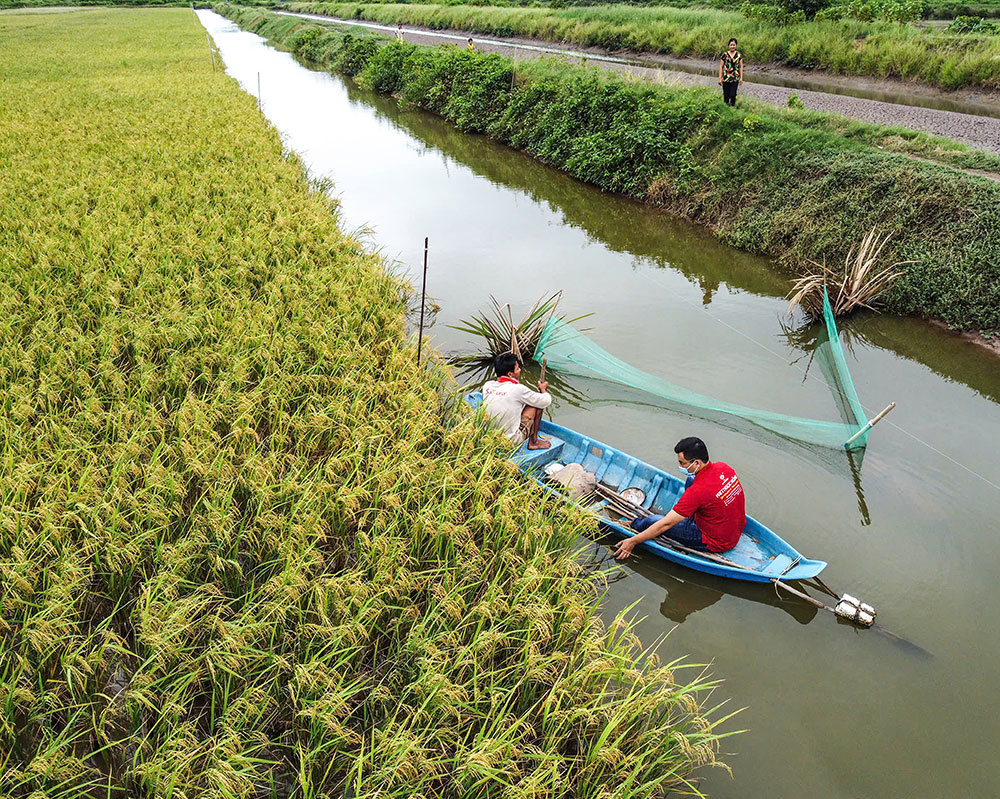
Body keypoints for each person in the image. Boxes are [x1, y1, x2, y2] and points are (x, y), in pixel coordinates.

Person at [614, 436, 745, 560]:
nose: (681, 467)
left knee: (652, 521)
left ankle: (633, 524)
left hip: (715, 541)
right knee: (690, 480)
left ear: (697, 463)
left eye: (682, 463)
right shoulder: (724, 467)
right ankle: (687, 515)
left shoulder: (698, 491)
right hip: (734, 531)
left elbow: (665, 524)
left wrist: (633, 541)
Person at [481, 352, 551, 449]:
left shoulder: (487, 385)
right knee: (536, 403)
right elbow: (546, 401)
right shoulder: (519, 389)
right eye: (517, 369)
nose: (520, 370)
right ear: (510, 374)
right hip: (510, 441)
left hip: (489, 437)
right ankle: (534, 442)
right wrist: (543, 390)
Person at [718, 37, 743, 106]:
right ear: (728, 46)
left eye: (734, 45)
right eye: (731, 45)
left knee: (733, 94)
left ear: (736, 46)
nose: (732, 46)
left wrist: (741, 78)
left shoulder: (739, 55)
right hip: (726, 77)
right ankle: (726, 108)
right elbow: (721, 67)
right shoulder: (725, 55)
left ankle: (732, 107)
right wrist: (720, 78)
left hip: (735, 78)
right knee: (726, 95)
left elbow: (740, 67)